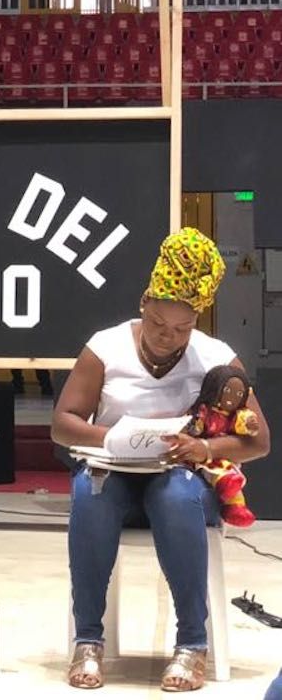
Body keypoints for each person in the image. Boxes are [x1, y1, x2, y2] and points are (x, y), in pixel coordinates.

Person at [52, 228, 270, 691]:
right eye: (157, 325)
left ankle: (192, 645)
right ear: (144, 304)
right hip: (115, 474)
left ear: (196, 323)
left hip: (180, 480)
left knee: (175, 494)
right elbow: (63, 422)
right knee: (89, 494)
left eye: (181, 330)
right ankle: (88, 640)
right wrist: (117, 437)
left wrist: (205, 448)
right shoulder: (105, 347)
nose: (167, 339)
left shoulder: (216, 357)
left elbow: (258, 441)